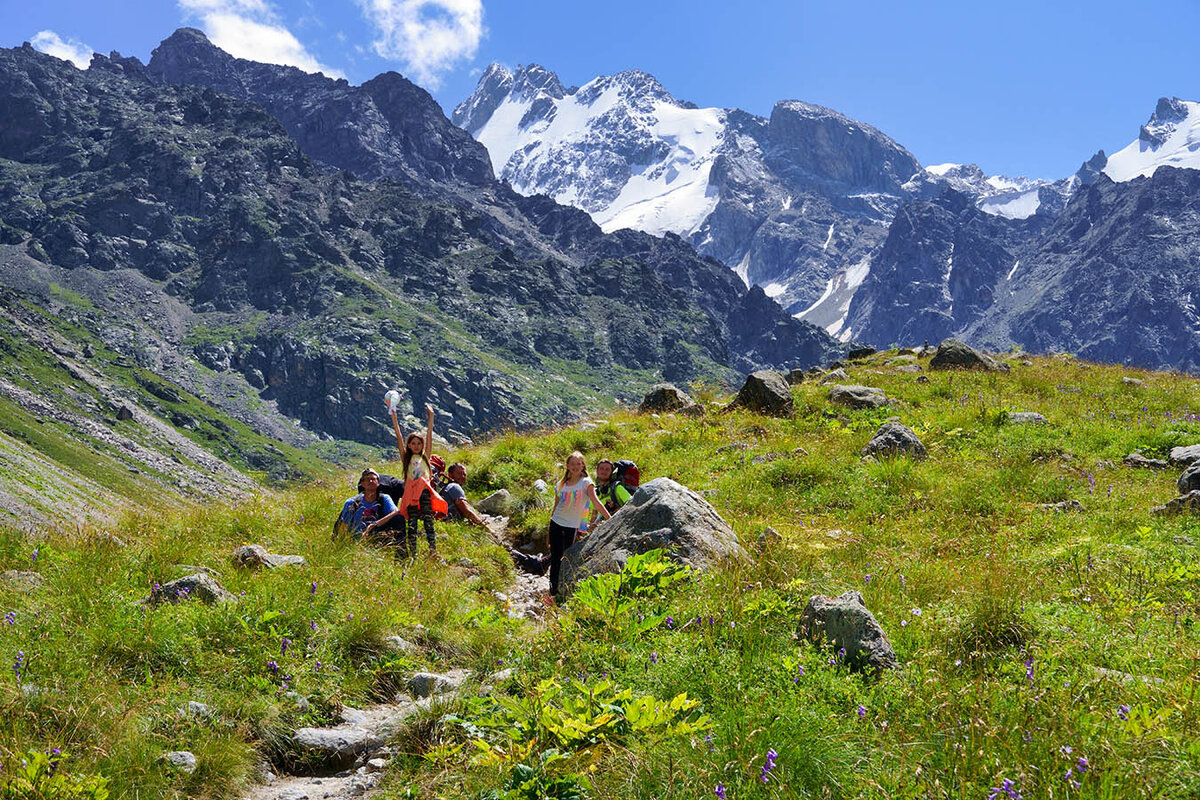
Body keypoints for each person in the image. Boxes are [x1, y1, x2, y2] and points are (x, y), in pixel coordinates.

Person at [547, 451, 611, 598]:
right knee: (556, 557)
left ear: (583, 465)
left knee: (568, 557)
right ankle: (553, 593)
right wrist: (547, 533)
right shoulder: (560, 484)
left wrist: (610, 518)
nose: (576, 466)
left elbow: (596, 502)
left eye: (579, 463)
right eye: (573, 464)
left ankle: (566, 591)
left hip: (572, 526)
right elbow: (555, 506)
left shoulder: (586, 483)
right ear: (567, 466)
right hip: (556, 523)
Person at [391, 403, 448, 558]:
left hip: (424, 493)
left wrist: (431, 417)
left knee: (429, 521)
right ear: (409, 445)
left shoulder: (425, 457)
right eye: (413, 443)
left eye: (419, 443)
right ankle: (413, 554)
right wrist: (394, 418)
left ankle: (433, 551)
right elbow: (399, 436)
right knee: (412, 524)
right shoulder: (407, 458)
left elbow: (429, 435)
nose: (416, 446)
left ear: (422, 445)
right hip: (410, 495)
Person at [335, 468, 403, 541]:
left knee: (398, 518)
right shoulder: (352, 503)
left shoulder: (384, 499)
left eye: (373, 479)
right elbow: (344, 527)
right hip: (355, 542)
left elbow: (396, 512)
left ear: (378, 483)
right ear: (362, 484)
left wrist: (374, 525)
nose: (370, 481)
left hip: (376, 540)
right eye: (367, 479)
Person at [590, 458, 632, 526]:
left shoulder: (617, 488)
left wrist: (615, 508)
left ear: (611, 473)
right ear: (597, 471)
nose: (604, 471)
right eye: (601, 468)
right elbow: (594, 515)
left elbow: (632, 505)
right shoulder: (596, 492)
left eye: (607, 469)